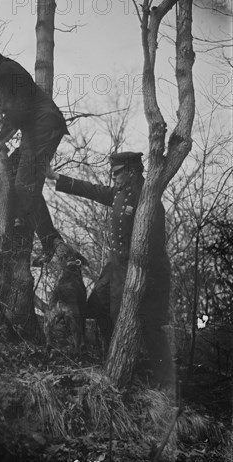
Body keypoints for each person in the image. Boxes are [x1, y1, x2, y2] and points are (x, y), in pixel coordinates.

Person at [47, 151, 175, 387]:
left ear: (132, 171)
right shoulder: (121, 192)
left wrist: (141, 277)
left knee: (143, 325)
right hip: (115, 267)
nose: (113, 177)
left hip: (140, 270)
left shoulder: (147, 199)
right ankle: (111, 358)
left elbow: (154, 245)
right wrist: (56, 177)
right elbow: (94, 190)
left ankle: (159, 381)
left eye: (117, 172)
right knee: (95, 307)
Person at [0, 50, 69, 265]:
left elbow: (18, 112)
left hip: (45, 127)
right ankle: (20, 220)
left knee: (24, 184)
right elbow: (6, 109)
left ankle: (50, 241)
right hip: (37, 129)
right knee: (13, 169)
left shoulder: (6, 71)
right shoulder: (0, 73)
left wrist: (0, 138)